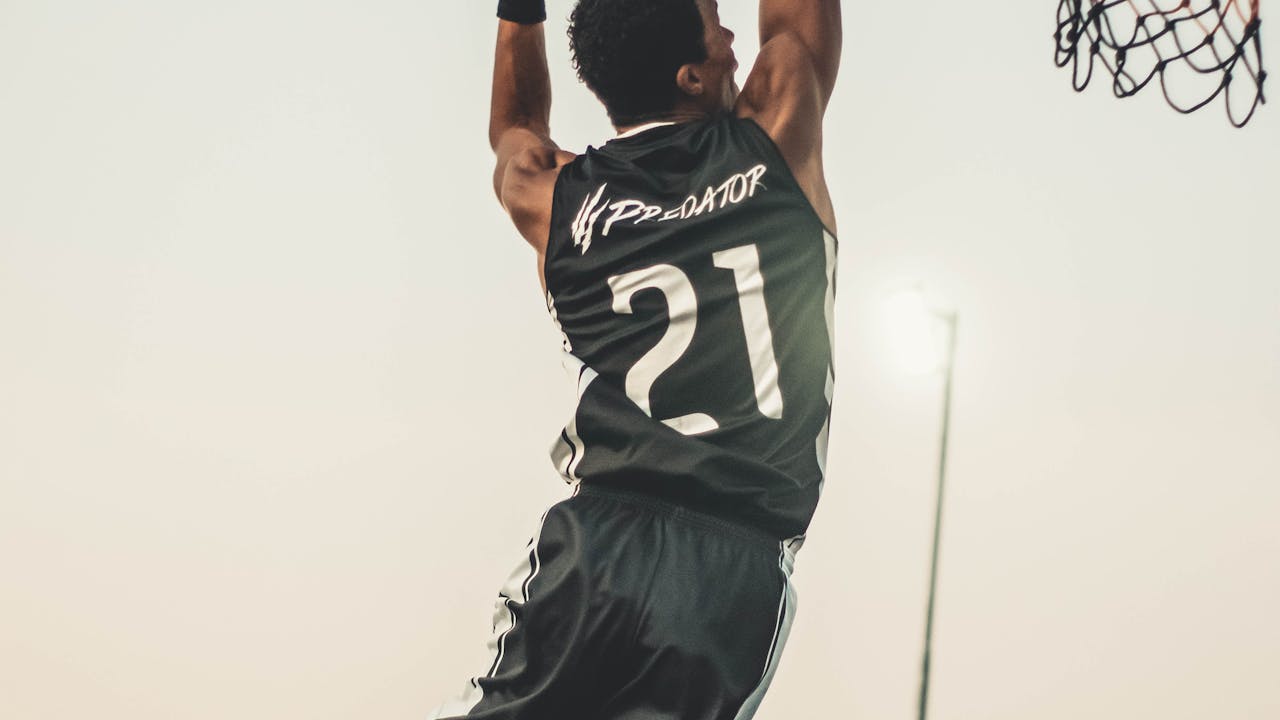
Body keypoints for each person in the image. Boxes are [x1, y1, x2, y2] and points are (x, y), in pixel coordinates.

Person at [429, 0, 840, 717]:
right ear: (690, 76)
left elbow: (515, 128)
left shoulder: (557, 197)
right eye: (716, 26)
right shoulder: (775, 139)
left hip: (597, 542)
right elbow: (793, 31)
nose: (733, 39)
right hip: (731, 562)